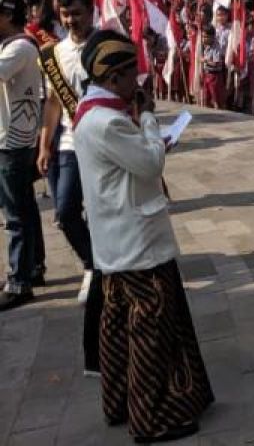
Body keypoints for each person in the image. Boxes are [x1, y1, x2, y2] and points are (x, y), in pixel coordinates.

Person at [73, 30, 213, 442]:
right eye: (133, 71)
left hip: (118, 238)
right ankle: (150, 419)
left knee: (117, 327)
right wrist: (149, 119)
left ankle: (118, 402)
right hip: (136, 241)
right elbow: (151, 163)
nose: (140, 79)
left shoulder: (92, 108)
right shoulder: (110, 121)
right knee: (149, 331)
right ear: (114, 77)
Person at [35, 0, 95, 304]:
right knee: (65, 210)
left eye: (77, 13)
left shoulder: (104, 45)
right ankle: (92, 263)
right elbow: (53, 103)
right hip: (70, 141)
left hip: (102, 142)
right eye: (65, 14)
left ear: (91, 10)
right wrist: (45, 145)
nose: (71, 20)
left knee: (102, 209)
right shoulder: (55, 53)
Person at [0, 0, 45, 310]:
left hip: (12, 142)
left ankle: (19, 281)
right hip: (11, 139)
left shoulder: (20, 47)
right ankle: (32, 267)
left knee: (15, 215)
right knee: (25, 209)